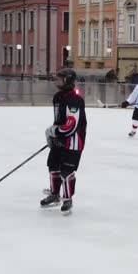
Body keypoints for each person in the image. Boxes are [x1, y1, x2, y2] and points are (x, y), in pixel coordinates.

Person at [42, 69, 87, 213]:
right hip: (59, 139)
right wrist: (52, 134)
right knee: (53, 166)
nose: (56, 81)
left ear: (67, 80)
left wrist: (55, 132)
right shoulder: (58, 97)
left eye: (59, 79)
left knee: (66, 171)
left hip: (73, 142)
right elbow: (58, 120)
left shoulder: (75, 100)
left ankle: (67, 199)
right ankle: (54, 195)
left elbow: (71, 124)